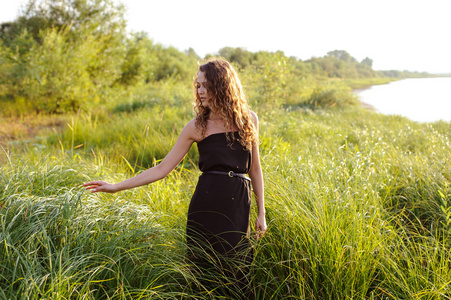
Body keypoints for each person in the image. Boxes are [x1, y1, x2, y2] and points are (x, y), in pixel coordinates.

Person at [83, 59, 266, 297]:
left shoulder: (249, 119)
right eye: (197, 85)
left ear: (222, 85)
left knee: (238, 268)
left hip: (239, 204)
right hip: (206, 204)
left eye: (205, 85)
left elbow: (255, 170)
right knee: (204, 272)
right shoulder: (197, 127)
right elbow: (162, 169)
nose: (200, 91)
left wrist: (261, 212)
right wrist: (116, 187)